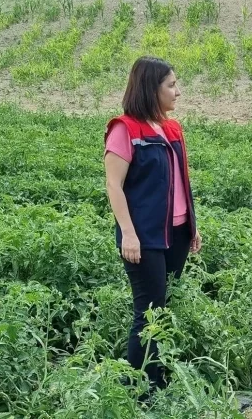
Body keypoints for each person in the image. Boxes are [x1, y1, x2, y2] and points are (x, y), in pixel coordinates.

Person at [104, 56, 201, 389]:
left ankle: (158, 377)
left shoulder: (171, 128)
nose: (178, 92)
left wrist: (192, 225)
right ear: (150, 88)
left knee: (164, 307)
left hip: (176, 232)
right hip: (144, 237)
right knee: (148, 313)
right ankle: (139, 388)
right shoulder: (126, 129)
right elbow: (113, 185)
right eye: (171, 85)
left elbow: (180, 180)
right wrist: (128, 234)